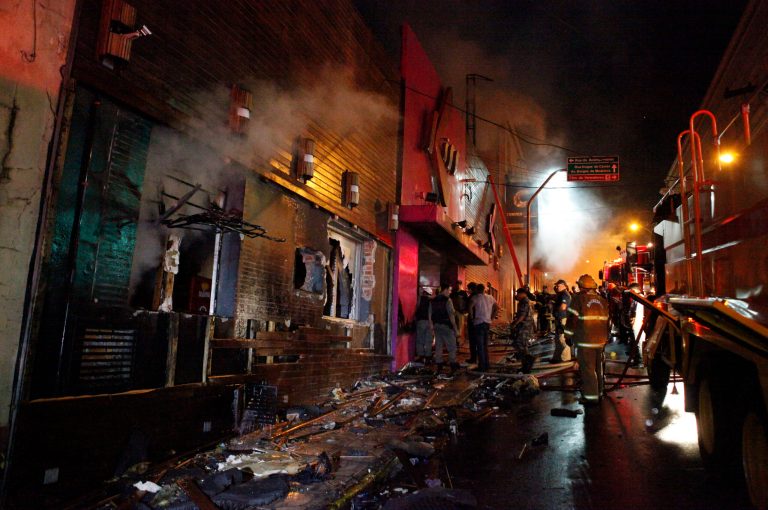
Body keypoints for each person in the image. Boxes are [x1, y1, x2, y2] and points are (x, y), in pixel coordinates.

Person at [564, 274, 610, 404]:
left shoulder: (579, 300)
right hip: (600, 341)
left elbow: (572, 320)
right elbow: (607, 321)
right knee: (598, 369)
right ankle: (599, 393)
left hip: (585, 340)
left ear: (582, 286)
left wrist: (568, 335)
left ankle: (591, 398)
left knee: (588, 370)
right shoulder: (602, 300)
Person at [430, 284, 460, 374]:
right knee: (452, 346)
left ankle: (439, 364)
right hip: (446, 326)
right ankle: (453, 364)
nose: (450, 292)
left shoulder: (433, 300)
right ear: (445, 289)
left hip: (436, 326)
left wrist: (432, 327)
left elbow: (429, 314)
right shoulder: (448, 300)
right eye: (449, 290)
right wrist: (456, 329)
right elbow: (451, 316)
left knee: (438, 346)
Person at [468, 283, 498, 371]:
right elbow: (497, 308)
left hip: (479, 323)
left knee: (480, 345)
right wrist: (491, 318)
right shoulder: (491, 297)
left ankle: (482, 366)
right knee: (485, 345)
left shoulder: (475, 297)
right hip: (487, 323)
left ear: (477, 290)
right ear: (484, 289)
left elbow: (470, 307)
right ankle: (486, 364)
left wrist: (472, 318)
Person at [509, 287, 534, 359]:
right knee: (522, 343)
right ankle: (524, 358)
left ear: (523, 294)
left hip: (524, 326)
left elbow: (522, 315)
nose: (517, 295)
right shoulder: (524, 301)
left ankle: (527, 358)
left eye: (518, 294)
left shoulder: (524, 302)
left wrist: (515, 324)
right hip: (525, 325)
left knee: (520, 342)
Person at [551, 279, 572, 363]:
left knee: (562, 339)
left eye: (558, 286)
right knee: (557, 339)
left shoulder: (565, 294)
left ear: (564, 286)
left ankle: (565, 359)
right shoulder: (561, 294)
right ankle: (557, 358)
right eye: (556, 286)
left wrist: (556, 310)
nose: (557, 287)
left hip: (563, 319)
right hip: (559, 319)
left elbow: (563, 307)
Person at [414, 288, 433, 364]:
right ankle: (428, 357)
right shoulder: (431, 300)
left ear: (424, 292)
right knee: (428, 340)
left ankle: (421, 356)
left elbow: (416, 309)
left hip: (421, 321)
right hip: (429, 322)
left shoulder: (419, 299)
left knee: (420, 340)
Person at [465, 282, 479, 363]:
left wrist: (471, 318)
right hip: (480, 320)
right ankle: (479, 358)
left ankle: (473, 358)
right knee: (478, 341)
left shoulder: (471, 297)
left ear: (471, 289)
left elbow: (469, 308)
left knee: (472, 340)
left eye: (468, 289)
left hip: (473, 321)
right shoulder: (479, 296)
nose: (468, 290)